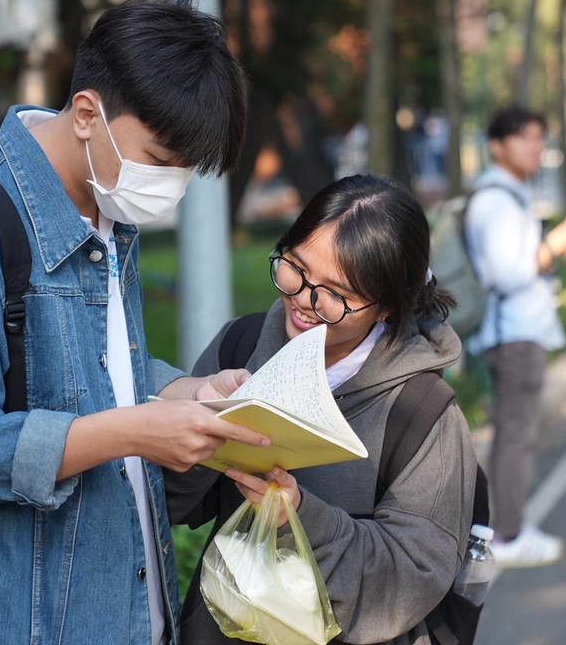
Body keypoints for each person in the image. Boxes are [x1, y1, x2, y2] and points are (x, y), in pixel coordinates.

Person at [0, 0, 265, 645]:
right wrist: (133, 434)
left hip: (129, 607)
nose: (171, 185)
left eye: (185, 171)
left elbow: (99, 363)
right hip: (14, 621)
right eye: (161, 158)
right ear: (88, 113)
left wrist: (190, 394)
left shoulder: (109, 215)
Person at [167, 173, 479, 644]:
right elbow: (170, 502)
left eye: (337, 295)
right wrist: (195, 423)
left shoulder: (423, 413)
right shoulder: (240, 346)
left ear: (387, 308)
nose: (303, 301)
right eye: (295, 267)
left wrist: (299, 518)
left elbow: (414, 575)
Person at [464, 106, 566, 567]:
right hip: (512, 335)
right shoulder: (495, 199)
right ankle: (508, 536)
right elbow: (509, 273)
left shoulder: (510, 194)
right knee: (515, 435)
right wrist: (557, 243)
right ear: (498, 144)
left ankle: (508, 529)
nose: (536, 147)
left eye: (540, 138)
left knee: (516, 433)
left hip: (522, 332)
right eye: (525, 138)